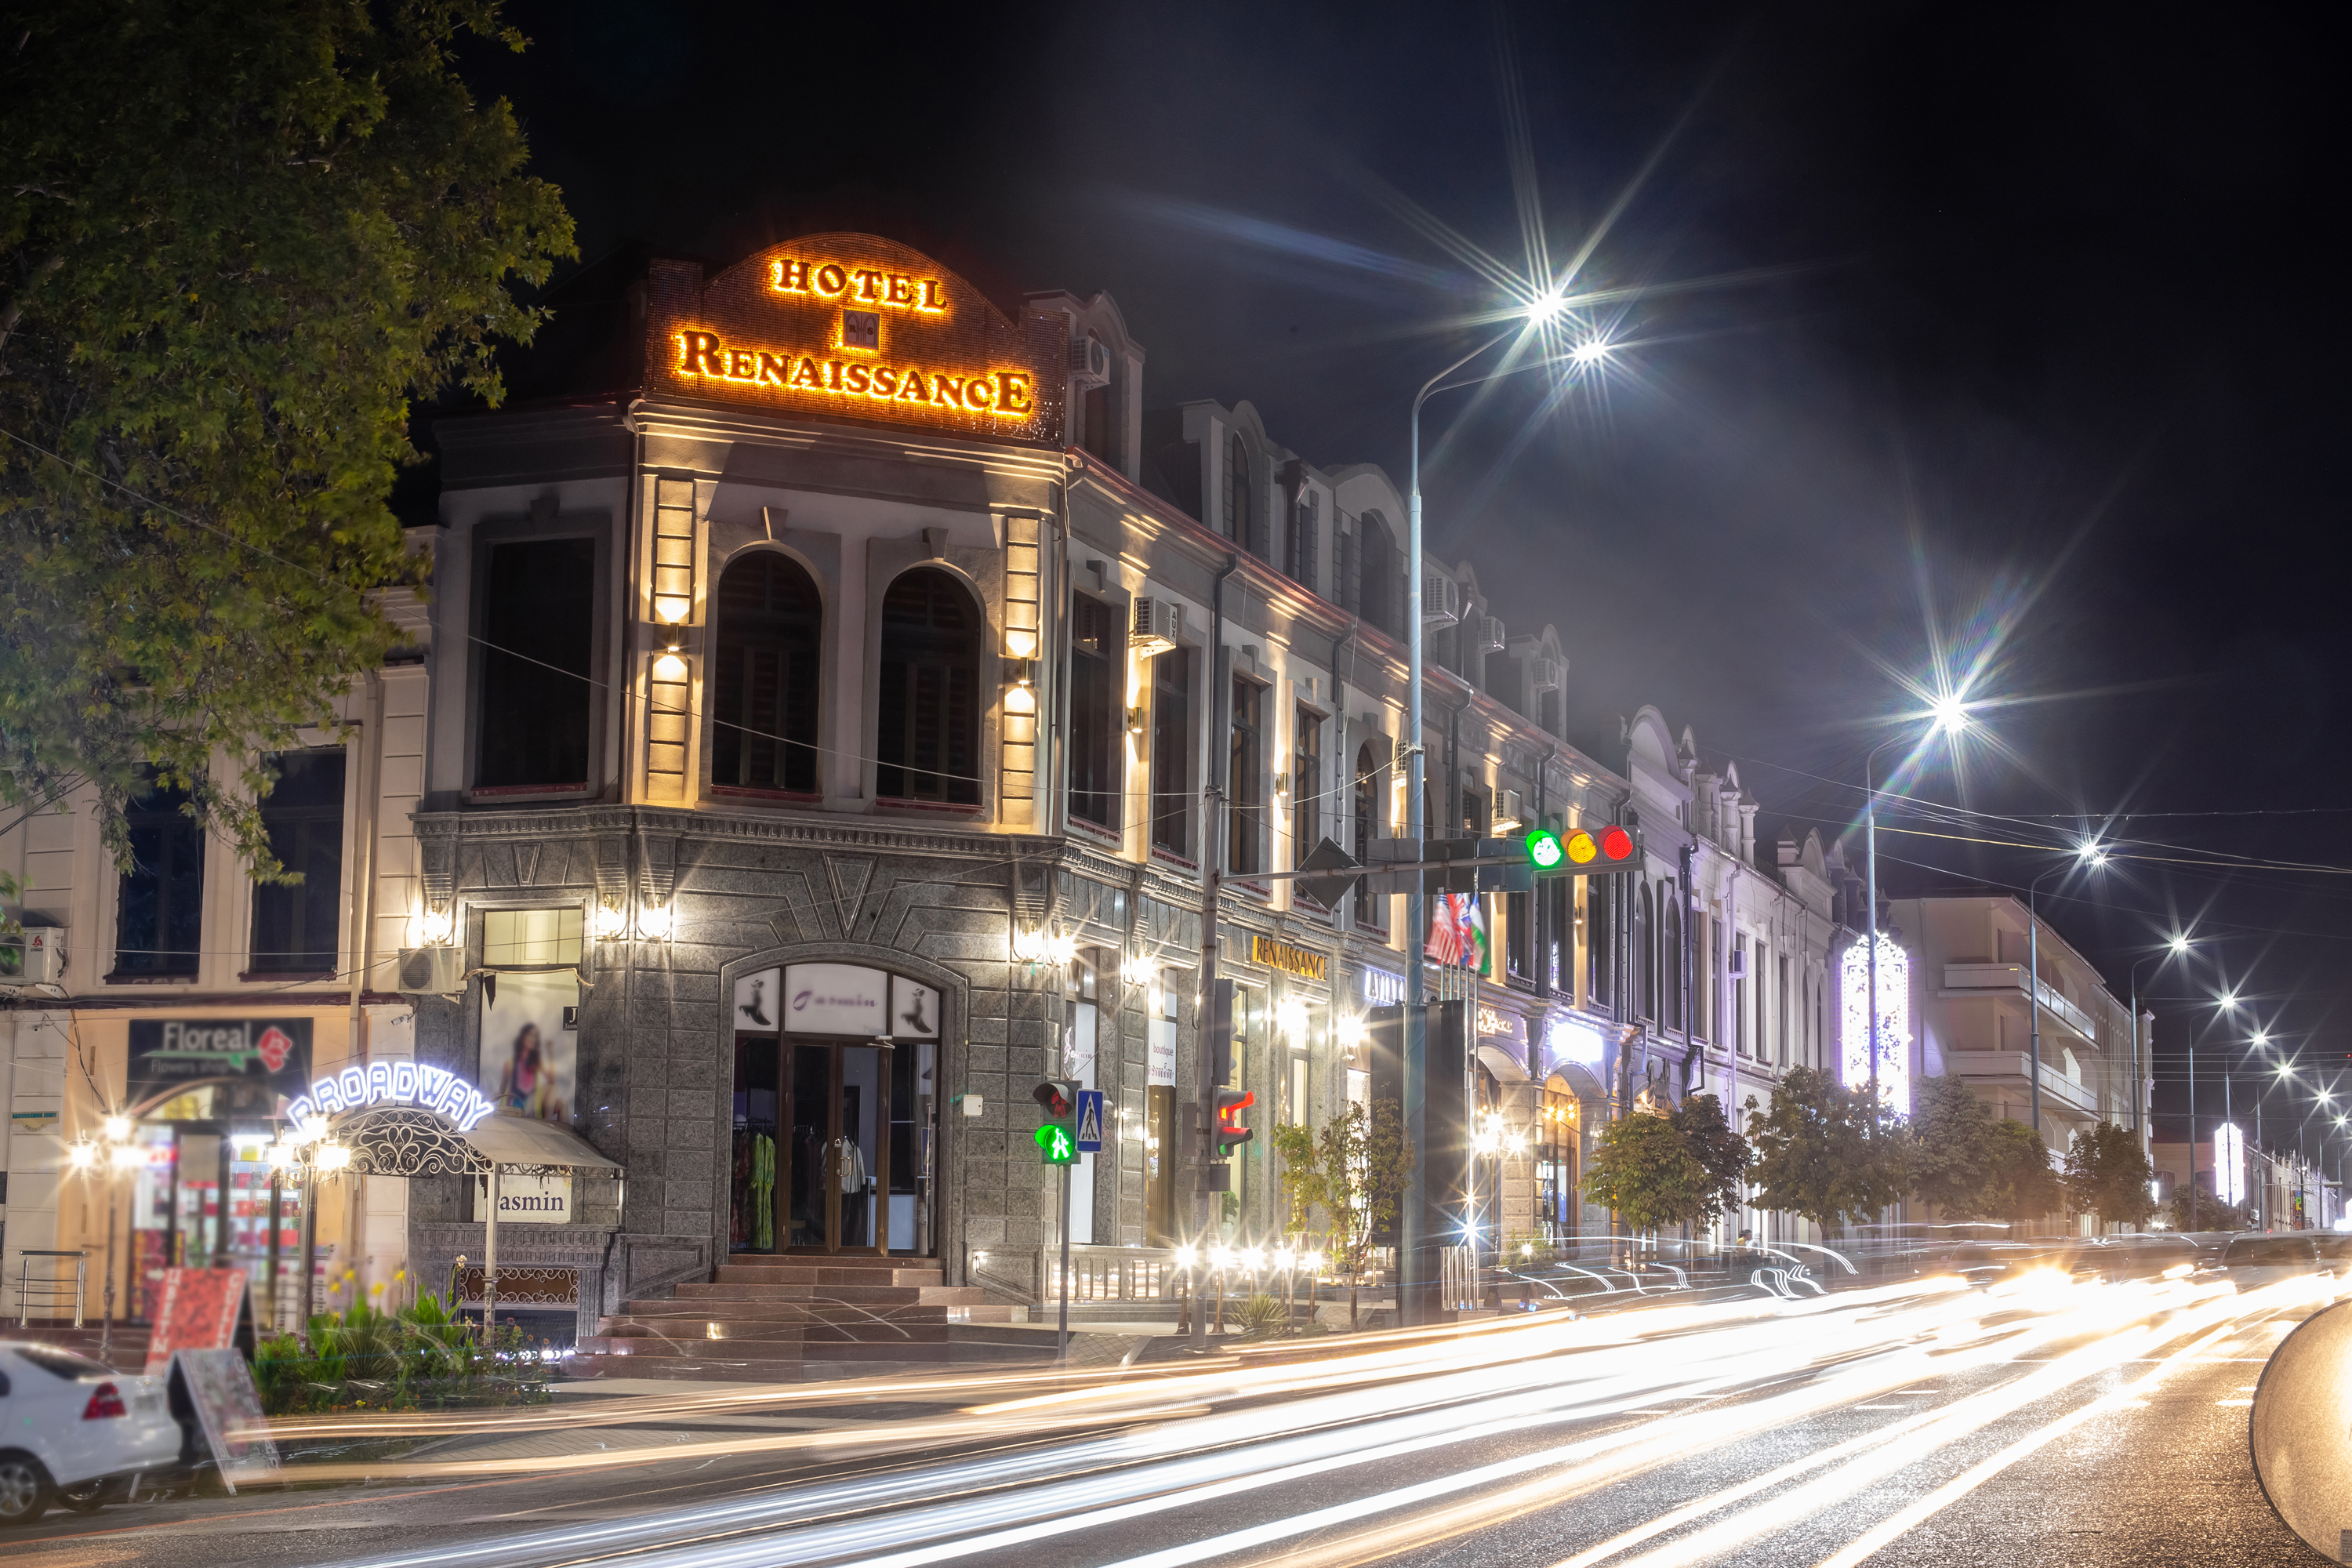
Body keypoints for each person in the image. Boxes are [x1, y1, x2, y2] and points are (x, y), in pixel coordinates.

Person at [497, 1021, 568, 1122]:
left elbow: (552, 1079)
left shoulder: (537, 1061)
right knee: (541, 1091)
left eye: (535, 1036)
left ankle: (549, 1127)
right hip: (517, 1107)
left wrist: (551, 1052)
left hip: (534, 1106)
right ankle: (546, 1126)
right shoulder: (510, 1063)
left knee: (562, 1102)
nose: (532, 1038)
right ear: (523, 1037)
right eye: (530, 1034)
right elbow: (501, 1090)